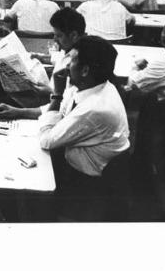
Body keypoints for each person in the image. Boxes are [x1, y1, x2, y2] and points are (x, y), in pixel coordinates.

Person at [37, 36, 129, 213]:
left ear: (85, 70)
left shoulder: (95, 108)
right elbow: (61, 114)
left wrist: (56, 93)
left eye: (71, 61)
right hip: (72, 162)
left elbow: (46, 141)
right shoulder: (89, 86)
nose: (66, 67)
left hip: (82, 184)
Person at [0, 7, 87, 117]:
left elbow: (61, 109)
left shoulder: (77, 66)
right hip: (49, 105)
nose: (55, 39)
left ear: (73, 35)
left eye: (59, 35)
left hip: (53, 112)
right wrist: (42, 57)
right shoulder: (70, 52)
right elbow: (58, 58)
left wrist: (51, 93)